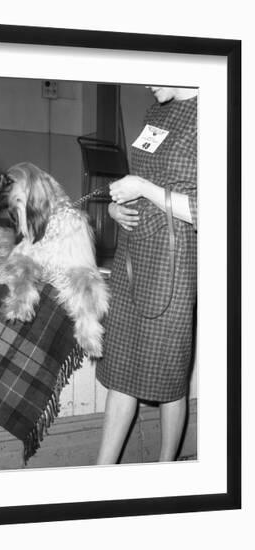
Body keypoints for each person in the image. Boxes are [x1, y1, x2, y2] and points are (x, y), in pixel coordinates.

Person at [96, 86, 198, 464]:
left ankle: (166, 470)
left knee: (169, 372)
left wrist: (142, 188)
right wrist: (117, 207)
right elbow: (139, 178)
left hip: (175, 261)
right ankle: (101, 472)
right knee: (123, 364)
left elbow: (209, 209)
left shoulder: (213, 112)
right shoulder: (155, 113)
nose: (146, 84)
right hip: (133, 254)